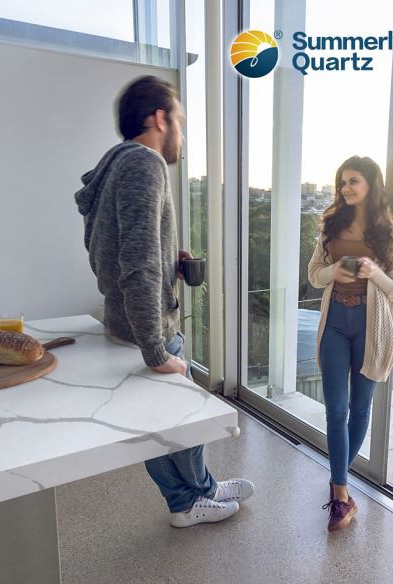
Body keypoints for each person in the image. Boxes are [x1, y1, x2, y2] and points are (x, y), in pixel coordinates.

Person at [74, 75, 254, 528]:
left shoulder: (112, 166)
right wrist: (155, 350)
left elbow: (106, 246)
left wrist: (168, 256)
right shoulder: (144, 165)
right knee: (180, 418)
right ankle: (186, 502)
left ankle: (200, 492)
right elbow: (135, 263)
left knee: (160, 421)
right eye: (181, 121)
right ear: (159, 118)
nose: (183, 134)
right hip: (148, 329)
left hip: (126, 321)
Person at [308, 156, 393, 532]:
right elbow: (315, 276)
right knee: (335, 410)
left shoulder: (390, 232)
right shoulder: (330, 225)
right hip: (335, 322)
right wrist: (337, 269)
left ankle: (338, 485)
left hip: (370, 325)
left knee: (360, 406)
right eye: (342, 183)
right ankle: (341, 495)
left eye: (353, 182)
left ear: (371, 184)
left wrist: (373, 272)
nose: (346, 189)